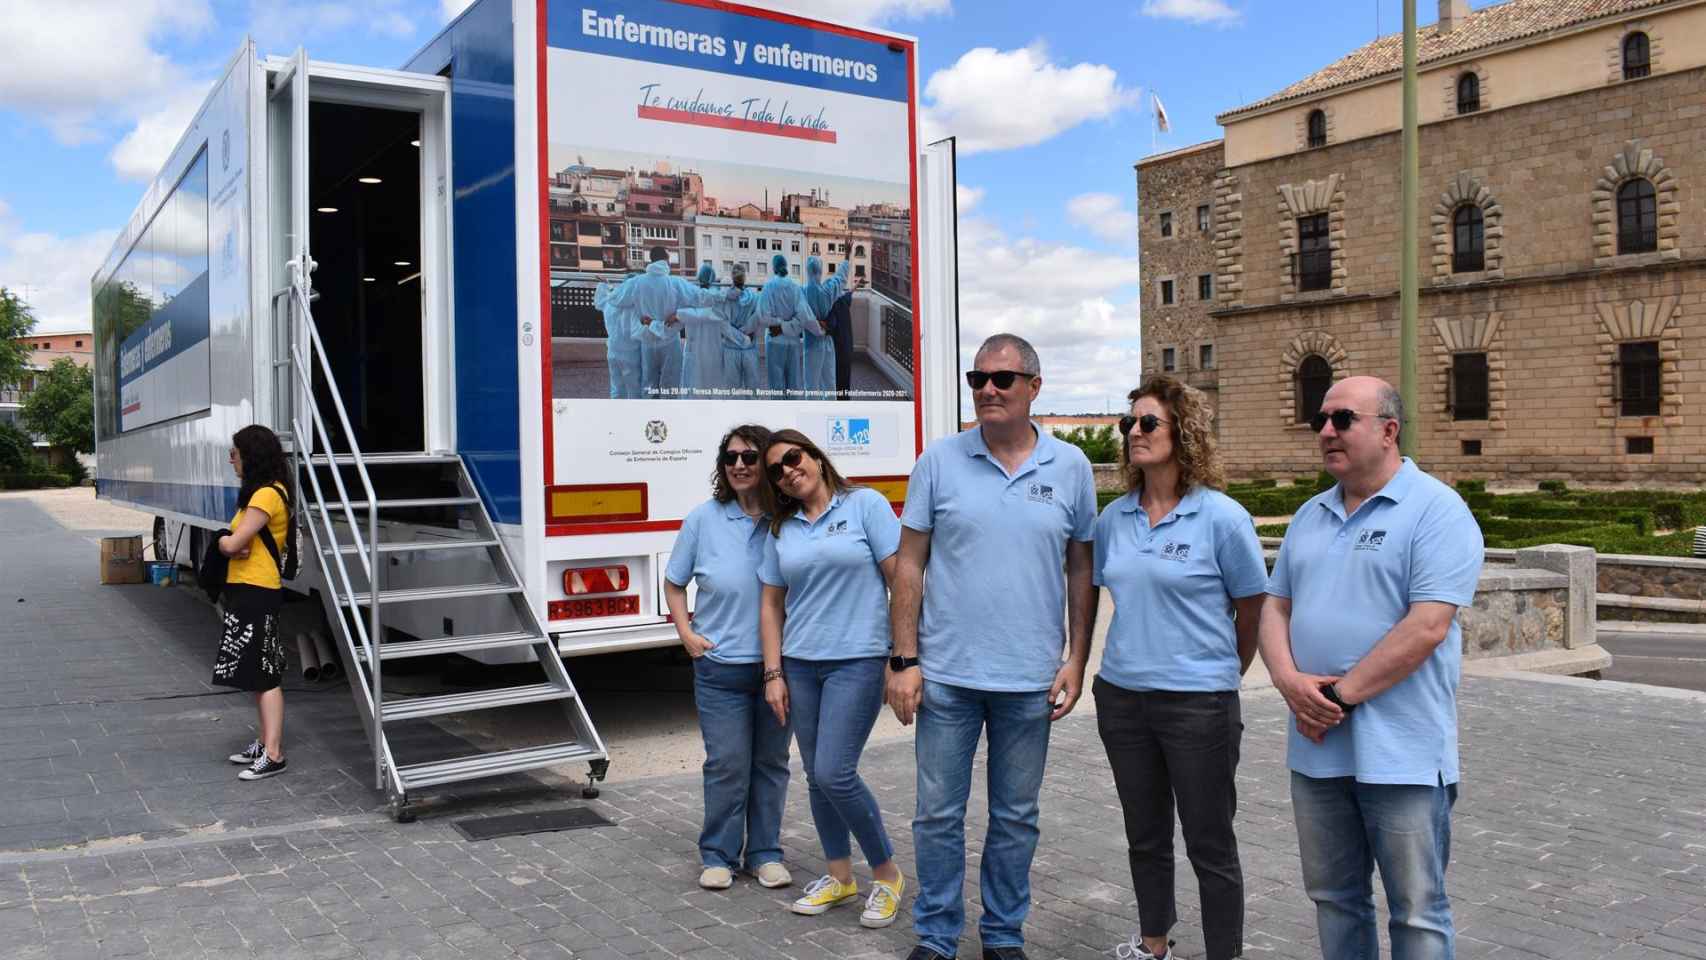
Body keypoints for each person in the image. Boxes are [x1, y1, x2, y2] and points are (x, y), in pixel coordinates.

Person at [1259, 376, 1484, 960]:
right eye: (1321, 421)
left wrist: (1336, 700)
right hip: (1315, 749)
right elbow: (1274, 605)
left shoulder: (1437, 509)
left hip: (1402, 752)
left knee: (1417, 911)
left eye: (1343, 420)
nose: (1327, 431)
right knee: (1334, 898)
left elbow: (1427, 626)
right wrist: (1287, 681)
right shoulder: (1311, 515)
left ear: (1388, 430)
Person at [888, 333, 1098, 960]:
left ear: (1034, 386)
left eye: (1002, 379)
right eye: (977, 379)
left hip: (1030, 679)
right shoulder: (939, 462)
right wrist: (903, 659)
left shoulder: (1072, 468)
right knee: (936, 816)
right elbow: (908, 564)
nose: (986, 390)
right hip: (948, 675)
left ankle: (1003, 937)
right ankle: (937, 936)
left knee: (1014, 819)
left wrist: (1077, 658)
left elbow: (1080, 569)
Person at [1093, 376, 1267, 960]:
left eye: (1148, 423)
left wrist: (1221, 672)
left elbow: (1252, 608)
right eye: (1128, 424)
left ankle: (1225, 953)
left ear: (1183, 434)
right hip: (1122, 699)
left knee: (1209, 843)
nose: (1134, 433)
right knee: (1145, 836)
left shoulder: (1222, 518)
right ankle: (1152, 945)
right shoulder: (1113, 519)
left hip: (1199, 705)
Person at [757, 429, 908, 930]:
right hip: (801, 663)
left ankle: (886, 875)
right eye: (776, 470)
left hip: (858, 660)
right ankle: (840, 877)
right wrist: (773, 672)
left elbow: (899, 579)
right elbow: (772, 605)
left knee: (834, 772)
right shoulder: (783, 529)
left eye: (793, 458)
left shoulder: (864, 506)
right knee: (817, 776)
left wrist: (902, 657)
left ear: (817, 457)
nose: (787, 472)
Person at [663, 424, 793, 893]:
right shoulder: (703, 519)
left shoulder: (789, 519)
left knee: (771, 764)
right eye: (730, 457)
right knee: (728, 764)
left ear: (768, 465)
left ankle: (764, 854)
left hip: (779, 670)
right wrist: (686, 633)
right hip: (720, 670)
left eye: (749, 456)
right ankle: (718, 855)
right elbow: (675, 583)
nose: (738, 464)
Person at [214, 424, 293, 781]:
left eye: (235, 453)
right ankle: (264, 742)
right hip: (248, 587)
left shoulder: (266, 496)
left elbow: (233, 545)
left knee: (265, 673)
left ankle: (274, 753)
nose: (231, 459)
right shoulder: (261, 494)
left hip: (257, 588)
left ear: (252, 455)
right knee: (255, 672)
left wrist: (223, 543)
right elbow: (238, 542)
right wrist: (232, 542)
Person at [675, 263, 752, 398]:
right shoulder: (718, 299)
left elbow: (677, 321)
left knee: (693, 393)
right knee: (713, 393)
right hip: (713, 353)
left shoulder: (690, 298)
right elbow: (726, 328)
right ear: (713, 279)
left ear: (699, 278)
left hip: (693, 351)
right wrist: (745, 340)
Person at [756, 253, 822, 399]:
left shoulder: (768, 287)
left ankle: (779, 418)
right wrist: (819, 331)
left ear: (773, 268)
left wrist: (779, 326)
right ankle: (793, 417)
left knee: (776, 386)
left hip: (774, 342)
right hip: (792, 343)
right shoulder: (795, 287)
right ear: (786, 266)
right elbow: (804, 316)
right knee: (794, 384)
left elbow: (763, 317)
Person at [800, 256, 849, 400]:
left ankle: (814, 415)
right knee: (829, 382)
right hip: (827, 343)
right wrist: (846, 258)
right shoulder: (828, 289)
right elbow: (840, 278)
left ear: (807, 271)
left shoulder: (802, 292)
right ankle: (829, 412)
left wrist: (815, 324)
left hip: (811, 344)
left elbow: (800, 315)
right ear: (820, 271)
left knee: (811, 384)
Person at [594, 275, 642, 399]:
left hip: (613, 351)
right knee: (634, 389)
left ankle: (616, 414)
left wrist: (605, 284)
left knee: (616, 388)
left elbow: (599, 302)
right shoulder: (634, 306)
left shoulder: (610, 301)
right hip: (631, 353)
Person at [720, 263, 762, 397]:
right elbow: (758, 318)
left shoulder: (725, 298)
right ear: (745, 278)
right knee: (752, 391)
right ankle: (752, 417)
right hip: (750, 348)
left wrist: (739, 336)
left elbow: (724, 326)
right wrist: (746, 334)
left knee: (732, 393)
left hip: (731, 349)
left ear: (732, 278)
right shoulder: (754, 297)